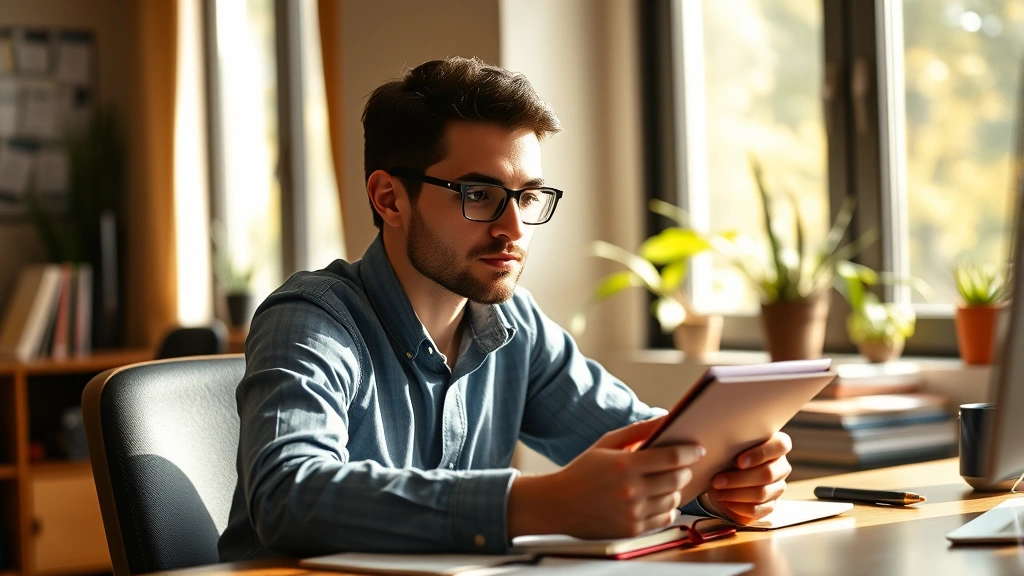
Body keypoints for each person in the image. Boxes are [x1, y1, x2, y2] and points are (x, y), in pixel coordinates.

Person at [218, 56, 792, 560]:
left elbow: (643, 441)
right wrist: (537, 503)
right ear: (389, 198)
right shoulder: (311, 319)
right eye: (479, 195)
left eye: (529, 197)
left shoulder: (517, 327)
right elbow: (288, 495)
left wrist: (717, 481)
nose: (513, 228)